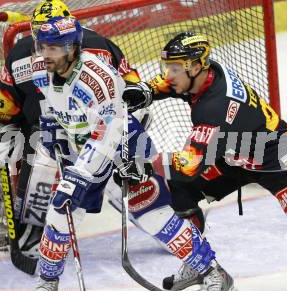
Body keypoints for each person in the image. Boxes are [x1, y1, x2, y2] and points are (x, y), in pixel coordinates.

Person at [122, 31, 287, 291]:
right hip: (236, 153)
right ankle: (201, 265)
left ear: (196, 67)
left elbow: (190, 163)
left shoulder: (214, 108)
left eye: (175, 68)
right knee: (178, 188)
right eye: (169, 67)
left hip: (276, 156)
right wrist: (147, 90)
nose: (169, 75)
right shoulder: (208, 73)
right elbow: (172, 84)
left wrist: (147, 164)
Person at [32, 17, 234, 291]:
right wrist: (52, 125)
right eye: (42, 47)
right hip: (82, 148)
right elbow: (52, 102)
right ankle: (47, 283)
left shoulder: (97, 78)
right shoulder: (40, 69)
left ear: (71, 49)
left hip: (123, 146)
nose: (45, 55)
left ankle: (213, 273)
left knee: (155, 217)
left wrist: (79, 176)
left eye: (52, 49)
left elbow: (108, 132)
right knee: (59, 213)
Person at [0, 0, 152, 260]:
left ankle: (34, 232)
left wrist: (9, 126)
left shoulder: (20, 53)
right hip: (89, 137)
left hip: (60, 137)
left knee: (33, 159)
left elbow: (4, 108)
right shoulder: (98, 44)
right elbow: (132, 87)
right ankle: (148, 212)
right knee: (117, 176)